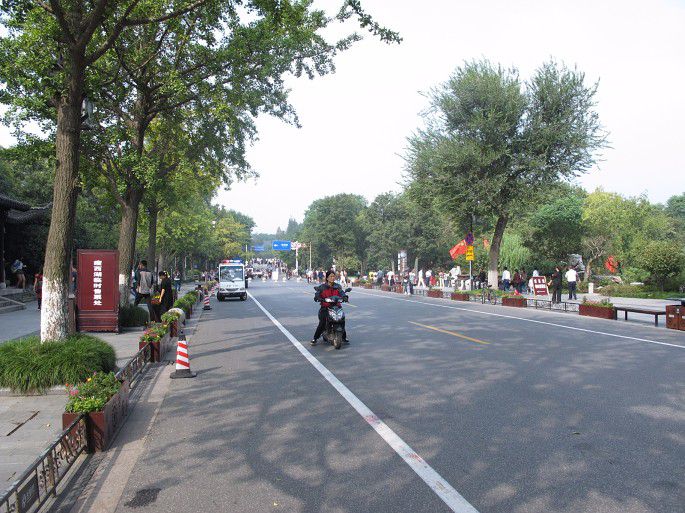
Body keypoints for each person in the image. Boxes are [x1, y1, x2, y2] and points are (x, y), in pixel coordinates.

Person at [311, 270, 348, 346]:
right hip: (325, 307)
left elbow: (342, 292)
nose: (332, 278)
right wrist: (318, 297)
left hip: (336, 307)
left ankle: (344, 337)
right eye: (331, 276)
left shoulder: (338, 286)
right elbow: (317, 294)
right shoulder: (322, 287)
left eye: (333, 276)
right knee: (322, 323)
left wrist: (345, 297)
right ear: (327, 278)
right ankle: (315, 338)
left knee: (342, 320)